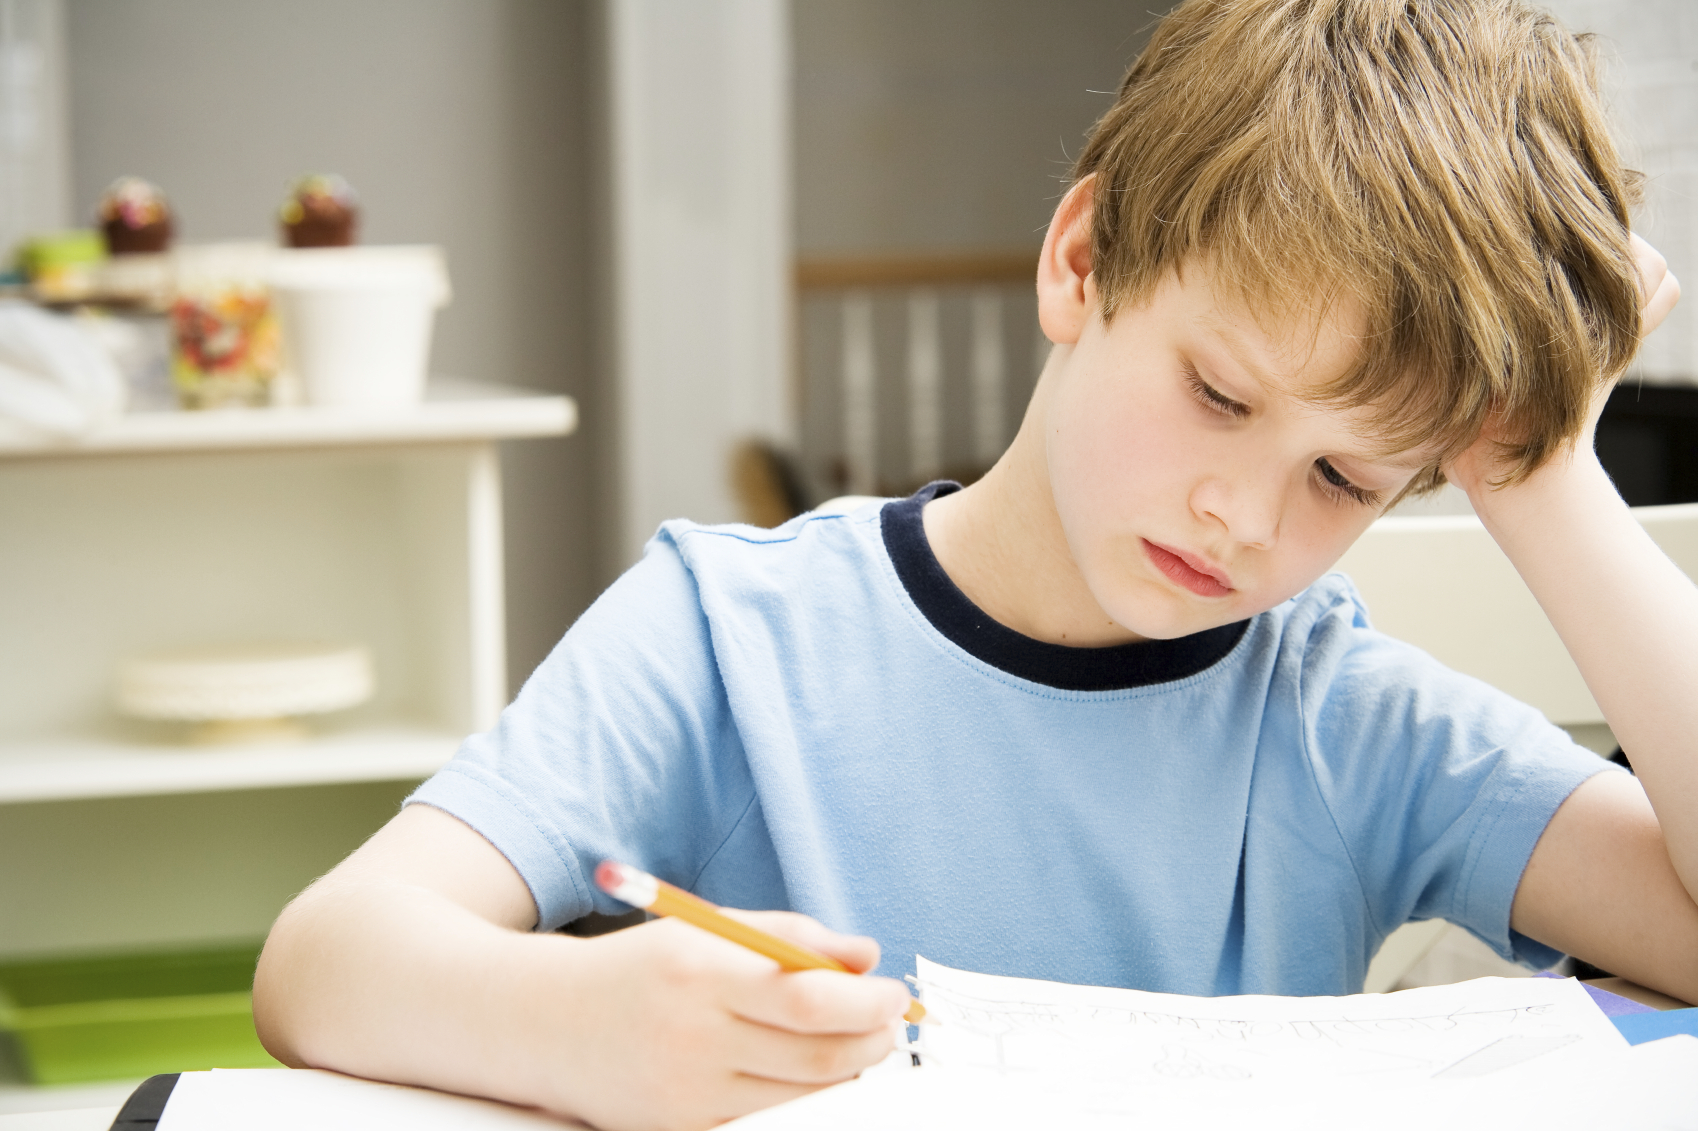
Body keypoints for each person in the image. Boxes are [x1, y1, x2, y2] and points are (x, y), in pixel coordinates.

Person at [253, 1, 1695, 1128]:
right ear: (1081, 259)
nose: (1240, 518)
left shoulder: (1344, 724)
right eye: (1217, 395)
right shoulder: (724, 634)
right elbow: (323, 962)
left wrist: (1545, 477)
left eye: (1341, 478)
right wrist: (576, 1025)